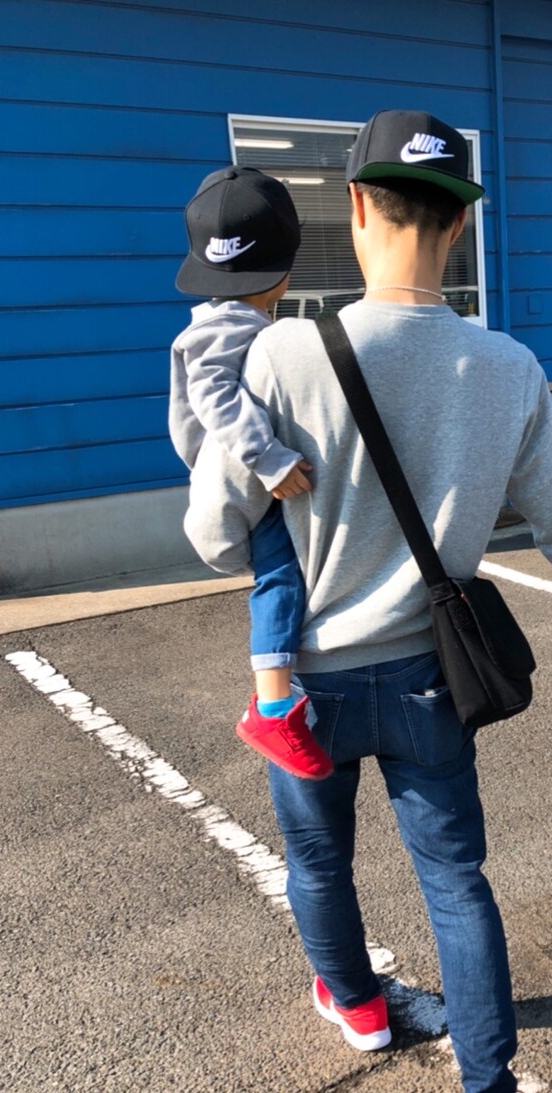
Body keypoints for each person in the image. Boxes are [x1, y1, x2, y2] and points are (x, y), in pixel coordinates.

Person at [187, 108, 552, 1093]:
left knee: (317, 859)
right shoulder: (506, 365)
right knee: (456, 884)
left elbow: (212, 534)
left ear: (354, 206)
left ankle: (354, 1004)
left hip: (307, 684)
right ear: (460, 224)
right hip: (434, 675)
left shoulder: (283, 351)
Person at [169, 165, 333, 781]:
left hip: (238, 471)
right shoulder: (231, 327)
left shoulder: (229, 320)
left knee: (283, 575)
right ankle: (272, 707)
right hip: (243, 474)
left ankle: (275, 690)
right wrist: (269, 459)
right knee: (281, 576)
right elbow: (214, 396)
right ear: (284, 271)